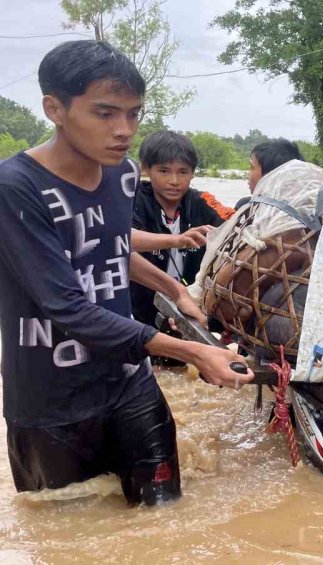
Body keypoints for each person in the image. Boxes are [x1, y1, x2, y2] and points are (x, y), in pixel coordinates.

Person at [0, 40, 253, 507]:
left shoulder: (122, 176)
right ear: (54, 108)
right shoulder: (15, 187)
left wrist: (177, 290)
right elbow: (67, 307)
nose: (124, 130)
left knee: (164, 521)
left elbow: (111, 251)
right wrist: (191, 352)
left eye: (133, 114)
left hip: (130, 385)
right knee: (72, 552)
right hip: (53, 407)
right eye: (105, 113)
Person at [129, 130, 234, 328]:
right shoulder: (132, 200)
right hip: (138, 311)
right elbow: (120, 239)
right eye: (164, 171)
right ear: (145, 169)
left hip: (191, 305)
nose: (174, 181)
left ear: (193, 173)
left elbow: (237, 223)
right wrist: (177, 240)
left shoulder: (203, 201)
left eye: (183, 172)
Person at [236, 138, 303, 210]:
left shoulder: (246, 207)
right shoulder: (308, 210)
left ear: (270, 175)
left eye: (252, 167)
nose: (248, 174)